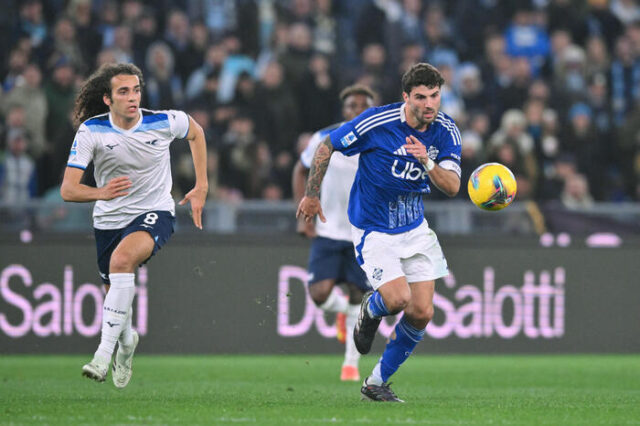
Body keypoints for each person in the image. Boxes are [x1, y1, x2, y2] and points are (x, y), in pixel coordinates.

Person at [297, 63, 461, 402]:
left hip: (415, 228)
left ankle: (375, 383)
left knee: (422, 312)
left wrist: (427, 162)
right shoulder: (378, 122)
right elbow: (327, 145)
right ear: (406, 97)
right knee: (398, 299)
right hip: (374, 228)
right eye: (420, 97)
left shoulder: (446, 130)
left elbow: (453, 186)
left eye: (435, 96)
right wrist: (312, 195)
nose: (429, 104)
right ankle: (369, 310)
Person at [61, 63, 208, 387]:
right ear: (107, 99)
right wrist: (100, 192)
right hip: (108, 221)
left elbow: (195, 131)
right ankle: (126, 342)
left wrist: (202, 186)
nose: (132, 97)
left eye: (136, 90)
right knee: (115, 289)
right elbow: (68, 189)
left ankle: (102, 355)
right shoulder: (91, 131)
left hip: (155, 211)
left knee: (122, 260)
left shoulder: (162, 121)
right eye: (123, 91)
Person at [292, 85, 377, 382]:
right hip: (328, 228)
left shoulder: (379, 141)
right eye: (353, 106)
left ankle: (350, 365)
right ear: (345, 110)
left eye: (364, 106)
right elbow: (300, 170)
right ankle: (342, 313)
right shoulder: (323, 138)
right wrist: (304, 214)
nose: (358, 110)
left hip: (362, 232)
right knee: (319, 294)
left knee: (359, 294)